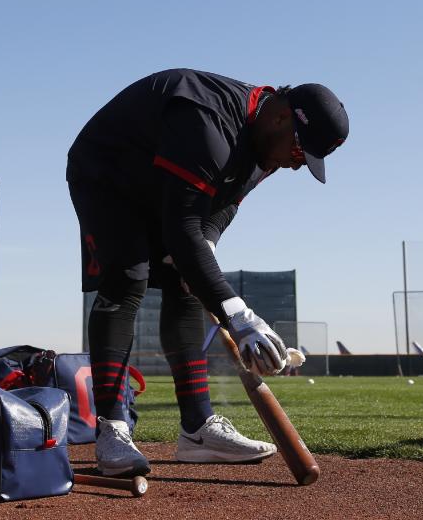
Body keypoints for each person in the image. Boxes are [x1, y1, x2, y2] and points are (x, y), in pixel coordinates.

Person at [66, 68, 349, 476]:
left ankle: (198, 429)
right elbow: (181, 229)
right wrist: (240, 318)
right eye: (299, 152)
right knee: (127, 277)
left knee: (185, 286)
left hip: (165, 182)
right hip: (109, 173)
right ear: (281, 116)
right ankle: (112, 428)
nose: (295, 165)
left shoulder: (267, 146)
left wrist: (206, 249)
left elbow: (224, 205)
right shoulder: (211, 125)